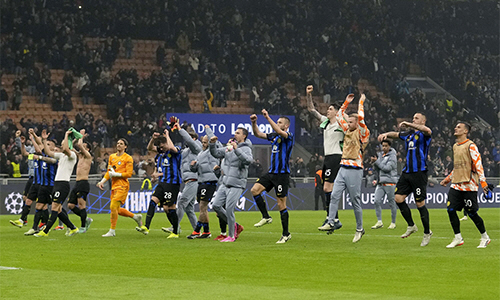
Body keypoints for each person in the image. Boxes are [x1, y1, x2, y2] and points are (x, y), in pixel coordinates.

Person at [318, 93, 370, 243]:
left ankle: (360, 228)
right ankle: (331, 221)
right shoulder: (347, 130)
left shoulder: (362, 132)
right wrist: (346, 102)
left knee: (355, 201)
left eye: (351, 121)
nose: (348, 123)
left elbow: (360, 117)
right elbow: (340, 114)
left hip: (355, 169)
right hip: (343, 167)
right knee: (334, 195)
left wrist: (360, 102)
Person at [378, 112, 433, 246]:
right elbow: (396, 135)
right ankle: (411, 225)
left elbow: (428, 130)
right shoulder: (408, 135)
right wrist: (385, 134)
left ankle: (427, 233)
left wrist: (408, 123)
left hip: (419, 173)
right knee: (398, 198)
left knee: (419, 203)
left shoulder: (424, 135)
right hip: (407, 172)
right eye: (412, 118)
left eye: (416, 118)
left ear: (423, 121)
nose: (413, 120)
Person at [440, 122, 492, 248]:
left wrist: (483, 182)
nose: (455, 128)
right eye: (455, 126)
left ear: (465, 131)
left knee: (472, 213)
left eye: (458, 127)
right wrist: (448, 178)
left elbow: (478, 164)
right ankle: (458, 237)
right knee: (450, 209)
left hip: (469, 184)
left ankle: (485, 237)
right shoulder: (455, 146)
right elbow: (457, 166)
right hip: (456, 184)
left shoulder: (471, 146)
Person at [250, 109, 294, 243]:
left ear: (286, 125)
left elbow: (281, 132)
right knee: (254, 190)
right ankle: (266, 216)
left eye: (279, 122)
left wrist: (267, 117)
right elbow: (257, 134)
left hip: (282, 175)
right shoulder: (274, 136)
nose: (277, 123)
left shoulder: (288, 136)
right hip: (271, 173)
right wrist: (254, 123)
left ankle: (286, 234)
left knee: (281, 204)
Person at [306, 85, 343, 227]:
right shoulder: (326, 122)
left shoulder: (341, 123)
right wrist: (308, 95)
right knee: (327, 188)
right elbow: (311, 110)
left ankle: (331, 218)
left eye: (331, 109)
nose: (328, 111)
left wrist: (342, 111)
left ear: (337, 112)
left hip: (336, 157)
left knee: (328, 188)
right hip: (328, 158)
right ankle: (334, 219)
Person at [136, 128, 182, 239]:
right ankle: (146, 226)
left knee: (169, 207)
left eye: (163, 146)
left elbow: (171, 147)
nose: (161, 148)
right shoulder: (161, 155)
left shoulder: (175, 152)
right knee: (153, 201)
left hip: (173, 183)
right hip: (163, 183)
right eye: (160, 147)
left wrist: (167, 135)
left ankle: (175, 231)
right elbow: (149, 148)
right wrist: (153, 139)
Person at [210, 127, 253, 242]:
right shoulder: (229, 147)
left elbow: (248, 161)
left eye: (238, 133)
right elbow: (216, 153)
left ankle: (231, 236)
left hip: (237, 184)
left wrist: (237, 149)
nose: (235, 135)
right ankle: (236, 226)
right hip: (225, 183)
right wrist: (212, 144)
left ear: (244, 136)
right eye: (235, 133)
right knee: (216, 206)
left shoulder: (246, 149)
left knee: (229, 209)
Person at [34, 130, 79, 237]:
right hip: (57, 184)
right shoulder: (61, 156)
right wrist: (44, 140)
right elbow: (48, 153)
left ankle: (45, 232)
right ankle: (73, 228)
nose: (62, 145)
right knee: (58, 210)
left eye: (64, 143)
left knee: (54, 208)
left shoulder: (72, 155)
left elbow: (66, 149)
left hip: (63, 185)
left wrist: (67, 135)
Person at [97, 138, 143, 237]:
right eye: (118, 143)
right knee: (116, 210)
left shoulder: (128, 158)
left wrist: (116, 174)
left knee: (113, 206)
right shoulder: (112, 157)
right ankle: (135, 217)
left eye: (121, 144)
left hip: (123, 185)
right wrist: (102, 181)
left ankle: (112, 231)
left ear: (125, 147)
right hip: (114, 186)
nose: (119, 145)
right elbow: (109, 172)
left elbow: (129, 174)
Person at [187, 125, 221, 239]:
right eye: (203, 142)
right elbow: (197, 168)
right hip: (201, 181)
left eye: (206, 142)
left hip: (210, 181)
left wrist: (208, 130)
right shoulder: (201, 153)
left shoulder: (213, 150)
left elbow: (215, 142)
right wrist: (193, 167)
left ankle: (197, 230)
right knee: (203, 208)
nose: (204, 144)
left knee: (202, 206)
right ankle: (206, 231)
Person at [24, 129, 57, 235]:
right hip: (43, 185)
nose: (45, 145)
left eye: (48, 144)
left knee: (57, 209)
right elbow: (39, 145)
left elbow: (51, 161)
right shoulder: (42, 155)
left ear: (53, 147)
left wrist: (41, 141)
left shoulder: (54, 155)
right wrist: (34, 136)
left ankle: (69, 226)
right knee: (40, 206)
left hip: (50, 186)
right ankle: (36, 227)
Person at [175, 125, 202, 237]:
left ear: (194, 139)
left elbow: (189, 141)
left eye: (189, 138)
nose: (186, 140)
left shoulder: (197, 147)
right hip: (188, 180)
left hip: (193, 179)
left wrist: (180, 130)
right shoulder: (186, 151)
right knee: (189, 208)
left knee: (181, 202)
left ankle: (174, 226)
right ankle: (197, 231)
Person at [67, 130, 93, 233]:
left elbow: (79, 144)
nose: (81, 146)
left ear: (88, 149)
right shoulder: (79, 156)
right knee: (71, 205)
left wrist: (80, 136)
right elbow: (70, 146)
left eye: (84, 146)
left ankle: (83, 227)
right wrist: (75, 138)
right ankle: (86, 219)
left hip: (83, 183)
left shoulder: (88, 156)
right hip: (77, 183)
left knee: (82, 205)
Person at [9, 130, 35, 227]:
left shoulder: (39, 149)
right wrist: (17, 138)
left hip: (37, 177)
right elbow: (21, 147)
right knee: (25, 198)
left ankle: (43, 222)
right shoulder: (30, 148)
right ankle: (24, 219)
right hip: (31, 176)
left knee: (42, 202)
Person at [370, 140, 398, 229]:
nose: (384, 147)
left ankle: (393, 222)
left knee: (392, 203)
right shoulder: (380, 155)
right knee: (376, 201)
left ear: (389, 146)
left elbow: (387, 168)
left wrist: (377, 161)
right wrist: (374, 163)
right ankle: (379, 222)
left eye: (386, 146)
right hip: (381, 182)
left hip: (390, 182)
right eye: (383, 146)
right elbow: (378, 169)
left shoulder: (393, 156)